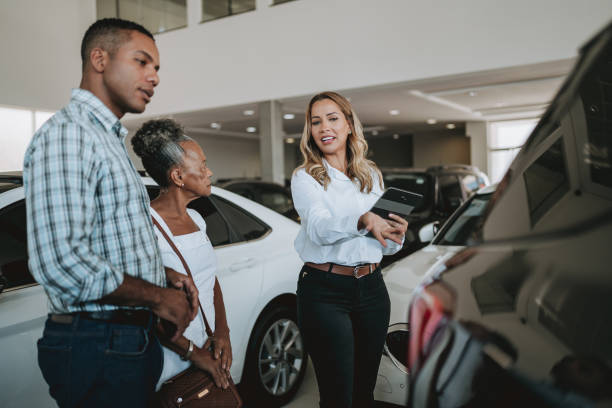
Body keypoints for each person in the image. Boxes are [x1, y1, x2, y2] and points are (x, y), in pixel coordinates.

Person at [23, 18, 198, 408]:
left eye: (156, 69)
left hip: (123, 341)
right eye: (142, 62)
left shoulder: (107, 139)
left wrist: (164, 276)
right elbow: (63, 262)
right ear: (99, 59)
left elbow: (109, 240)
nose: (153, 77)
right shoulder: (69, 134)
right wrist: (157, 297)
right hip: (97, 342)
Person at [291, 91, 409, 408]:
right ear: (310, 131)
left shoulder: (370, 174)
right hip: (325, 291)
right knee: (337, 397)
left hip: (372, 287)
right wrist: (362, 219)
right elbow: (317, 228)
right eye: (316, 122)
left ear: (348, 126)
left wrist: (395, 233)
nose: (323, 127)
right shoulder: (305, 177)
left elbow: (384, 247)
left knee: (364, 392)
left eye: (332, 119)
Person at [131, 119, 232, 390]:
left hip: (206, 345)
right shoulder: (144, 226)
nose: (209, 172)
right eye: (202, 166)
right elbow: (147, 308)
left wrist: (222, 332)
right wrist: (195, 355)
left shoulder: (198, 219)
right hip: (169, 358)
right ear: (177, 176)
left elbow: (209, 280)